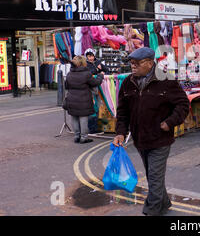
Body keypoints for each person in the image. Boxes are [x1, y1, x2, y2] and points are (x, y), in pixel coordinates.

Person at [113, 47, 189, 216]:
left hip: (160, 139)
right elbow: (123, 111)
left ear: (149, 63)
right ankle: (164, 202)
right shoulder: (127, 83)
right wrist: (120, 133)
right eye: (131, 63)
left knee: (154, 177)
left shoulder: (167, 81)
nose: (132, 66)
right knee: (152, 176)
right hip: (140, 140)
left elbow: (183, 104)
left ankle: (151, 211)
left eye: (136, 63)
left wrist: (169, 123)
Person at [63, 55, 104, 144]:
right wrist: (100, 76)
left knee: (74, 117)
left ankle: (76, 136)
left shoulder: (70, 74)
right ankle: (84, 137)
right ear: (83, 63)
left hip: (71, 98)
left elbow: (66, 86)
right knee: (83, 117)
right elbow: (95, 83)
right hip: (83, 99)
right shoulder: (86, 73)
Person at [84, 48, 108, 134]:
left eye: (91, 56)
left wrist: (102, 71)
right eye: (88, 56)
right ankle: (92, 129)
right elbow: (89, 73)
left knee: (97, 107)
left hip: (99, 88)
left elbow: (106, 69)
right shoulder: (85, 65)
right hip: (91, 89)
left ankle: (96, 127)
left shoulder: (98, 62)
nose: (90, 58)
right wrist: (98, 70)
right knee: (92, 108)